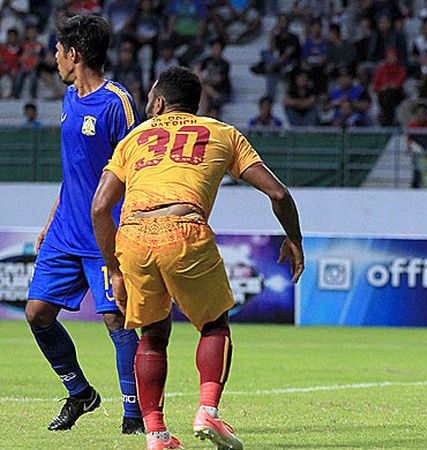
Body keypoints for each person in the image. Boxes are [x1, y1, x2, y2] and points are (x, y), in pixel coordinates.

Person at [91, 66, 305, 450]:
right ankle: (207, 410)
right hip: (183, 230)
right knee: (214, 325)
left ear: (157, 102)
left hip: (134, 235)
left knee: (152, 335)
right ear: (196, 104)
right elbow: (278, 193)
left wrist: (114, 270)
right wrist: (294, 240)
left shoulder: (134, 137)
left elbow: (99, 208)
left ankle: (155, 434)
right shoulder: (222, 132)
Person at [24, 15, 144, 434]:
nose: (54, 58)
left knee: (117, 320)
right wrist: (51, 219)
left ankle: (134, 414)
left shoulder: (117, 103)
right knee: (37, 313)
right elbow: (76, 170)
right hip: (64, 231)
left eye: (57, 51)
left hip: (105, 234)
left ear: (74, 55)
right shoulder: (70, 98)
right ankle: (80, 393)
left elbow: (135, 170)